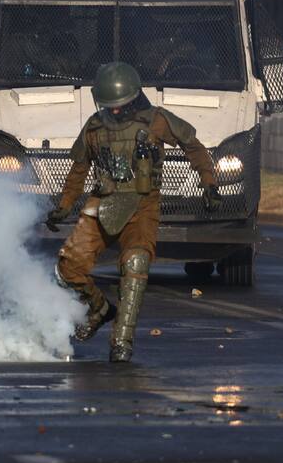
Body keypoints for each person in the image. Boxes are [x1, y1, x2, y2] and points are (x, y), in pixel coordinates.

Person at [47, 62, 222, 362]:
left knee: (136, 262)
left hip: (142, 204)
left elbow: (193, 146)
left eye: (120, 106)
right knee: (67, 268)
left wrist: (209, 183)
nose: (114, 112)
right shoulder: (93, 127)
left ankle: (121, 342)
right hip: (102, 201)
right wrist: (64, 206)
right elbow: (78, 170)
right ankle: (99, 308)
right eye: (108, 107)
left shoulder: (156, 120)